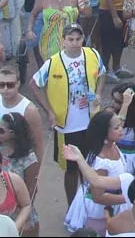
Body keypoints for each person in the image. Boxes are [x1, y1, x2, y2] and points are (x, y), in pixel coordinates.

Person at [30, 24, 106, 206]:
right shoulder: (53, 62)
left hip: (91, 121)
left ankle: (90, 204)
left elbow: (102, 74)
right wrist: (49, 111)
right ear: (63, 41)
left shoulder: (93, 55)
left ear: (83, 39)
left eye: (78, 39)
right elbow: (34, 85)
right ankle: (72, 207)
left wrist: (98, 93)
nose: (74, 43)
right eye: (70, 39)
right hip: (67, 126)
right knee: (71, 170)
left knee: (92, 165)